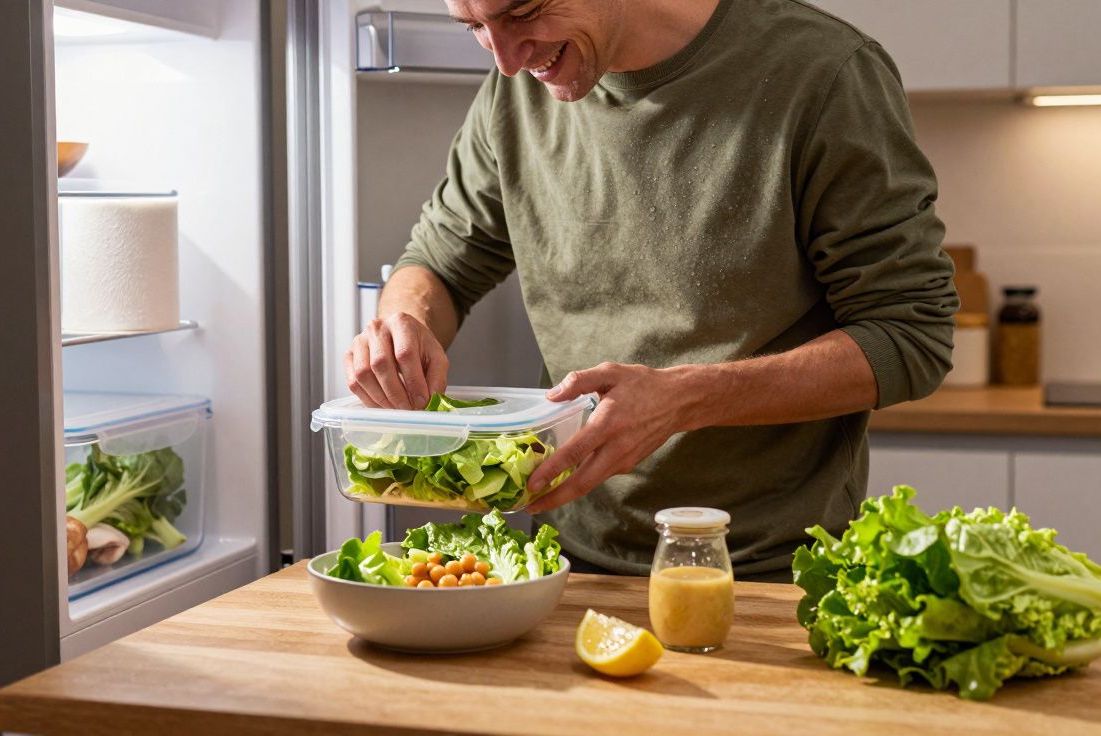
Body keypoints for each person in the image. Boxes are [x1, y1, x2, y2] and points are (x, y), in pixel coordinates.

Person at [344, 0, 957, 581]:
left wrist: (684, 399)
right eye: (472, 26)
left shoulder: (823, 73)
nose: (503, 57)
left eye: (523, 11)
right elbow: (441, 262)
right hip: (562, 559)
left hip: (767, 570)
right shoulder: (516, 85)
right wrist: (404, 325)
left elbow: (910, 337)